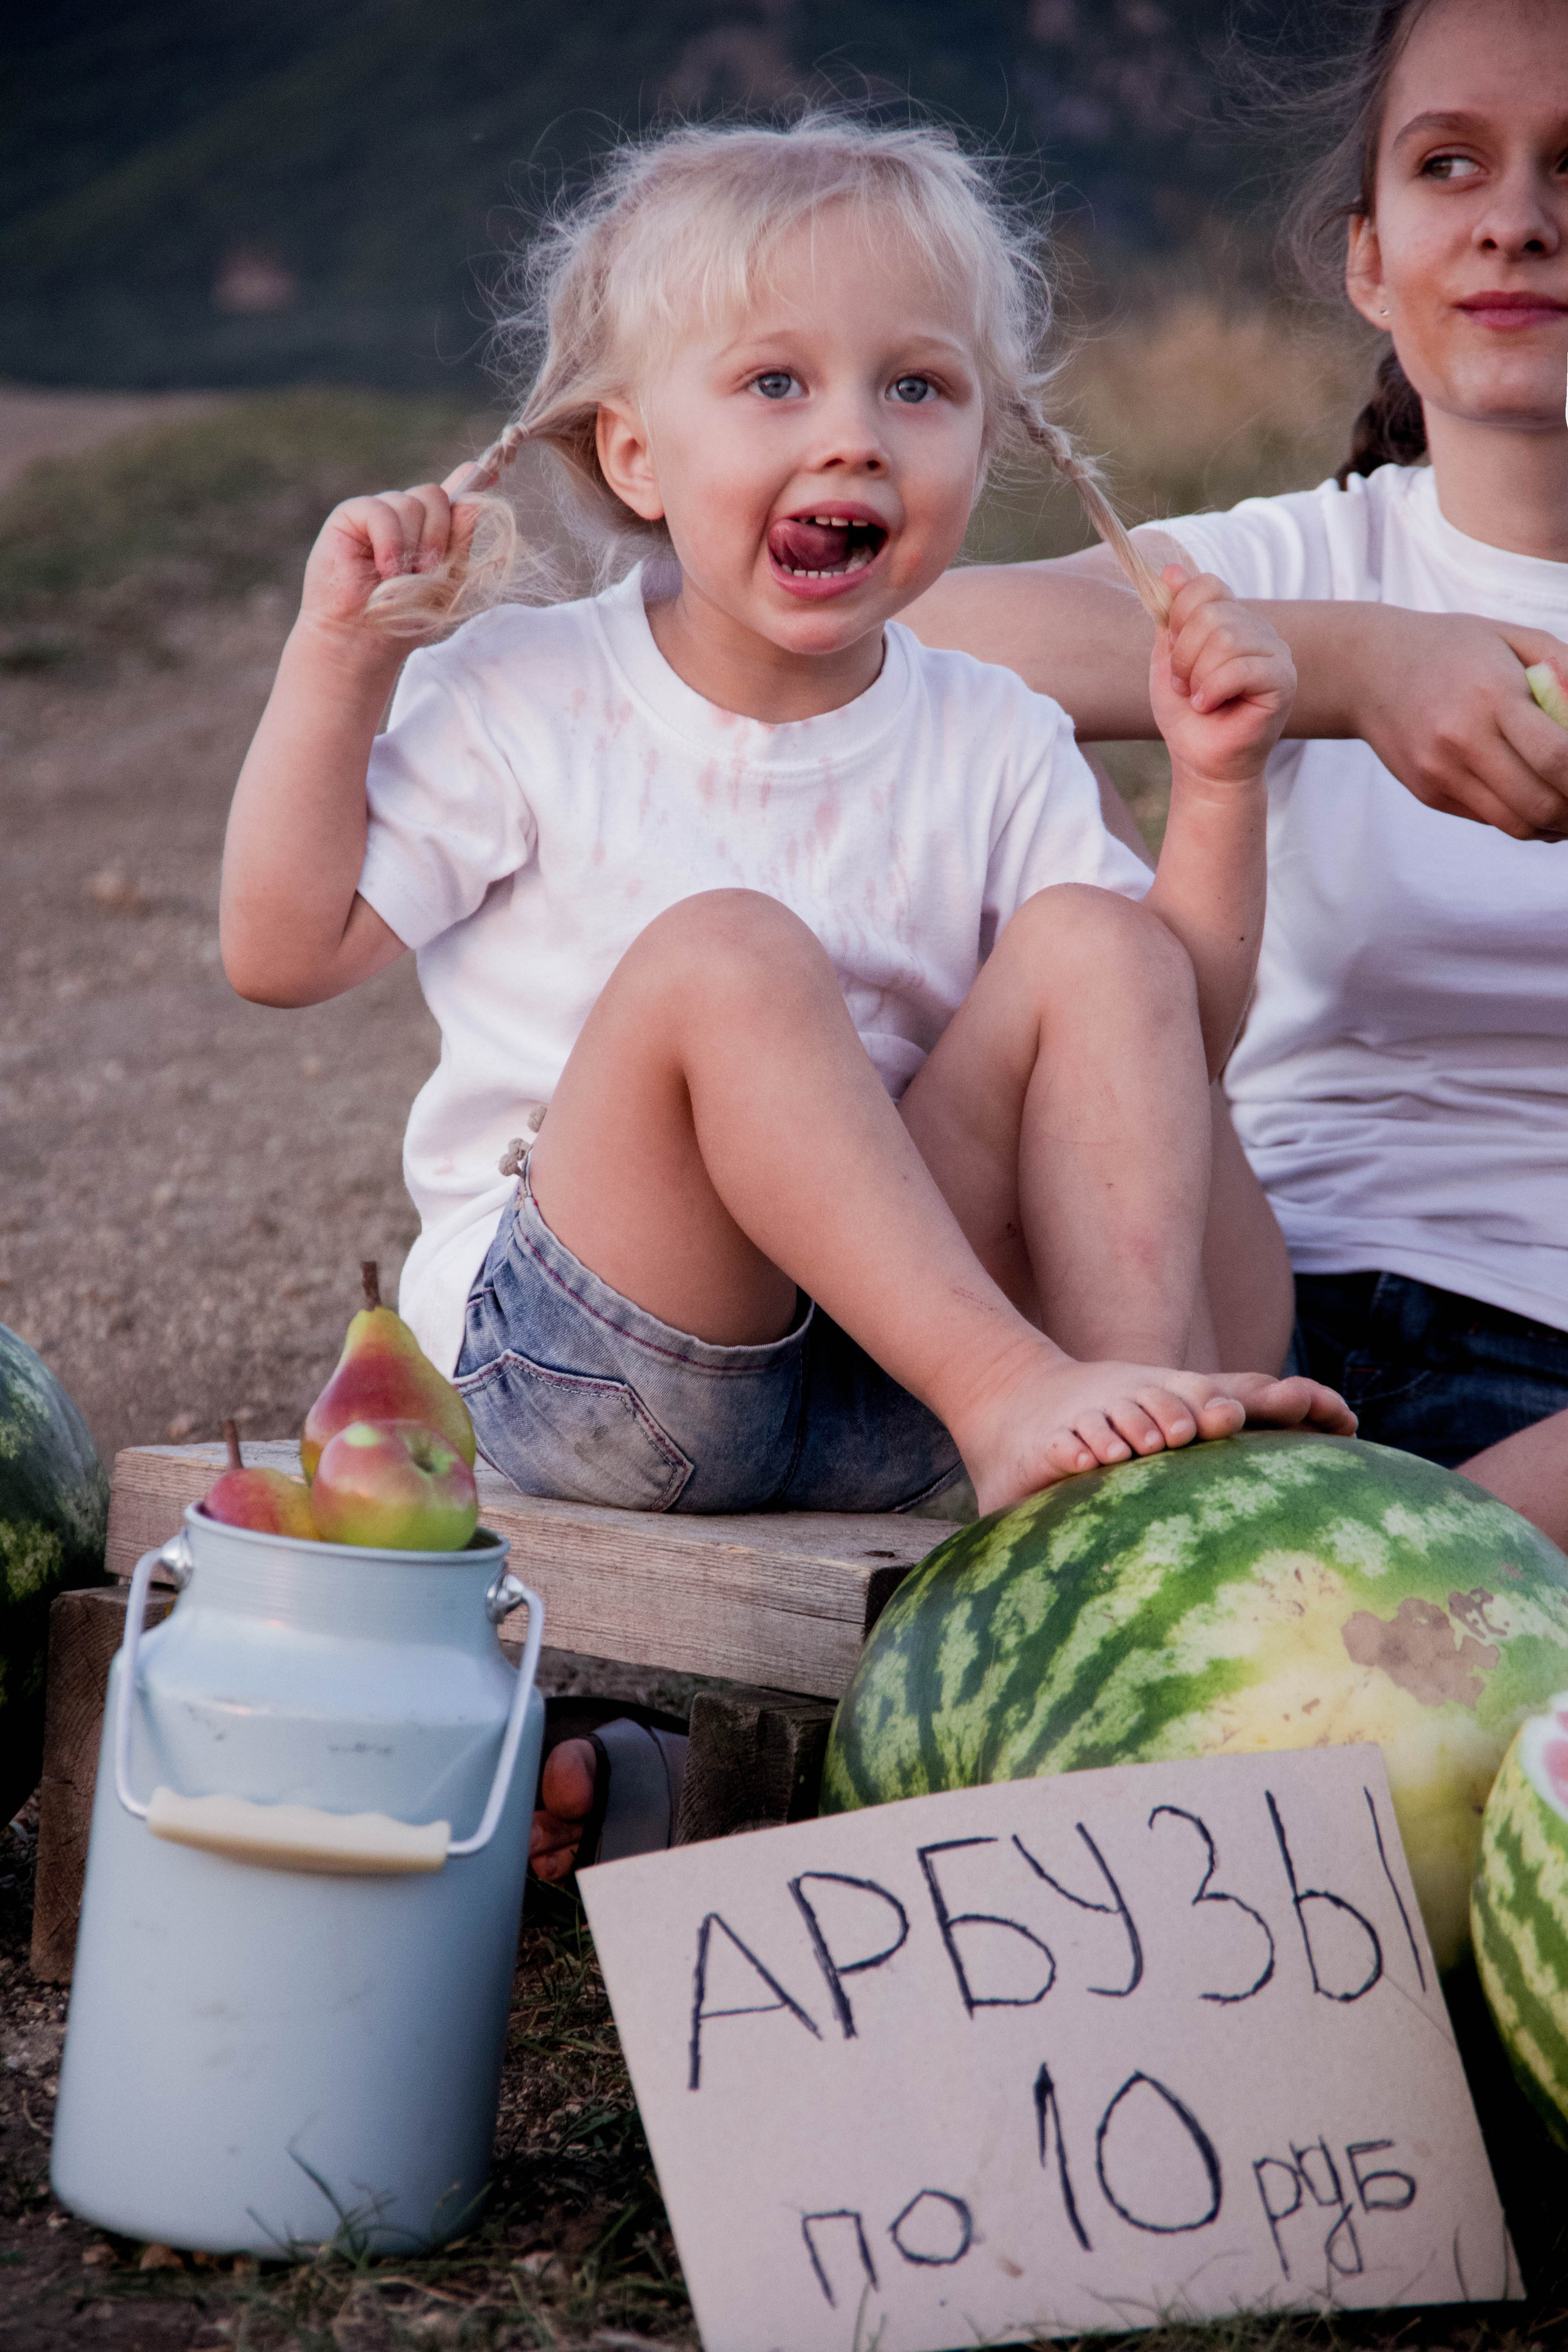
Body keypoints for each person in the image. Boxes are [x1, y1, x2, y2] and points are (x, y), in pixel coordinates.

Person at [221, 115, 1349, 1874]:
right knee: (733, 955)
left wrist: (1213, 792)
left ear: (992, 435)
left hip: (907, 1372)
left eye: (919, 387)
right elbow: (279, 952)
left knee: (1095, 944)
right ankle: (1026, 1400)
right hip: (617, 1371)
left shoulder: (992, 730)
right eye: (774, 382)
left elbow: (1167, 1055)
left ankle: (1120, 1446)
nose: (854, 433)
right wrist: (340, 665)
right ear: (634, 453)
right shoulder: (532, 692)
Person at [907, 0, 1568, 1550]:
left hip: (1548, 1415)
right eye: (1450, 165)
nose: (1517, 222)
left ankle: (1356, 1582)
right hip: (1237, 1320)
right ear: (1365, 255)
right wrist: (1346, 665)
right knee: (1092, 955)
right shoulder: (1303, 556)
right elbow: (900, 631)